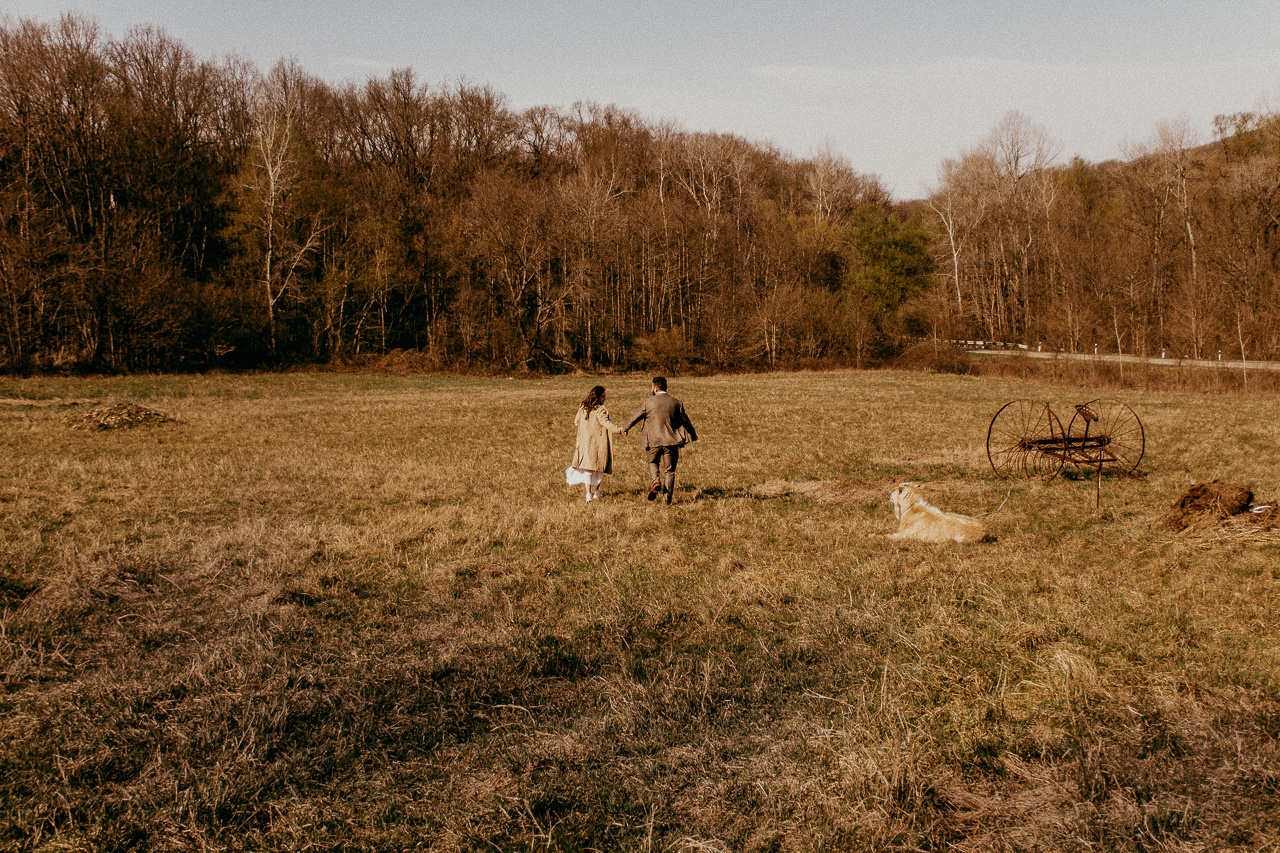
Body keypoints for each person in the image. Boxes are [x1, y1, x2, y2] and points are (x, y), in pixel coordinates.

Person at [622, 376, 698, 505]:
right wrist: (693, 434)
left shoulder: (648, 402)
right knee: (669, 471)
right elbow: (686, 421)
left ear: (655, 387)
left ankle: (655, 481)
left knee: (652, 462)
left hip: (653, 441)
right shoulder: (676, 402)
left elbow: (635, 416)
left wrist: (625, 428)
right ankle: (666, 501)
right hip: (671, 442)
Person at [565, 385, 626, 502]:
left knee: (587, 468)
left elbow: (576, 422)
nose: (605, 398)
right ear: (597, 397)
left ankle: (588, 494)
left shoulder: (582, 408)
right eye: (603, 396)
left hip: (584, 442)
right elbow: (606, 424)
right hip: (598, 443)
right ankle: (596, 491)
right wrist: (619, 430)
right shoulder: (601, 410)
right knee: (598, 468)